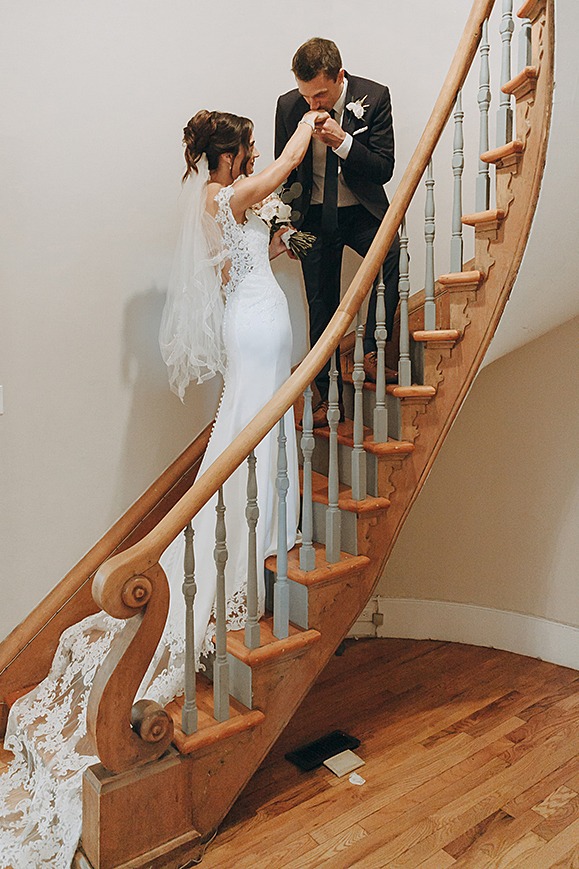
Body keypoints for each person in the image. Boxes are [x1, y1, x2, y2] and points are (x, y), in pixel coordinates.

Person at [0, 106, 325, 868]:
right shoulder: (231, 192)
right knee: (260, 425)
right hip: (262, 324)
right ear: (229, 156)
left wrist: (271, 245)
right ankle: (259, 539)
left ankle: (258, 533)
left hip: (253, 313)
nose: (251, 158)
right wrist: (312, 125)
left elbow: (235, 264)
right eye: (245, 149)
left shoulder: (217, 211)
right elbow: (278, 175)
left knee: (249, 424)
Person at [275, 37, 400, 427]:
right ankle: (326, 398)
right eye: (307, 95)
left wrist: (343, 142)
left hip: (360, 211)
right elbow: (284, 172)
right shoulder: (288, 106)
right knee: (321, 304)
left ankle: (369, 351)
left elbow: (384, 168)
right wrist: (286, 223)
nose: (313, 103)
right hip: (313, 216)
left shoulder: (374, 97)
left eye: (321, 94)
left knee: (394, 256)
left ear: (340, 76)